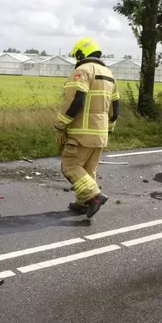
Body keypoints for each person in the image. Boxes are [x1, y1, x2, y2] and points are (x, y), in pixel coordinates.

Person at [54, 37, 119, 218]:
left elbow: (75, 100)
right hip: (100, 133)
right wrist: (109, 128)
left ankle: (94, 197)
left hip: (81, 132)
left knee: (70, 166)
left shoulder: (82, 71)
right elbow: (116, 107)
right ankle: (83, 203)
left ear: (81, 54)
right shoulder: (109, 74)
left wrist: (60, 125)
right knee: (88, 170)